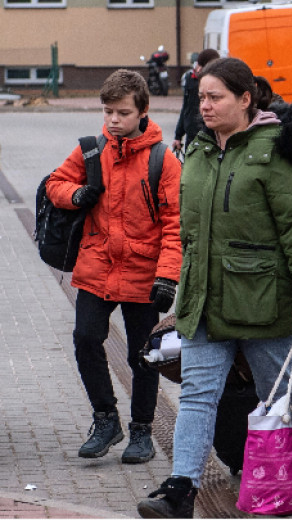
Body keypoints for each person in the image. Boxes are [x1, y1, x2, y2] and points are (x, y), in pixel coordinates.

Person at [135, 58, 292, 518]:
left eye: (215, 96)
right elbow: (188, 230)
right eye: (201, 97)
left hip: (264, 304)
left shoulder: (277, 150)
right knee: (198, 395)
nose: (205, 105)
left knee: (278, 399)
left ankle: (291, 480)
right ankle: (181, 488)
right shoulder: (199, 150)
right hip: (204, 301)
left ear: (245, 99)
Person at [45, 69, 181, 465]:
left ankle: (141, 431)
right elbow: (55, 183)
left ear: (143, 110)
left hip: (143, 272)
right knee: (86, 338)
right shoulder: (92, 149)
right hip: (97, 265)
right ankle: (106, 419)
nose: (113, 120)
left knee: (145, 355)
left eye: (122, 112)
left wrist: (168, 275)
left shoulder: (163, 160)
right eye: (108, 112)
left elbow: (176, 224)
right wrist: (76, 194)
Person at [172, 48, 220, 153]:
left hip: (209, 137)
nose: (198, 69)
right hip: (192, 136)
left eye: (202, 66)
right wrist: (178, 136)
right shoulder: (191, 79)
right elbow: (185, 108)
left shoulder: (219, 84)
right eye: (199, 65)